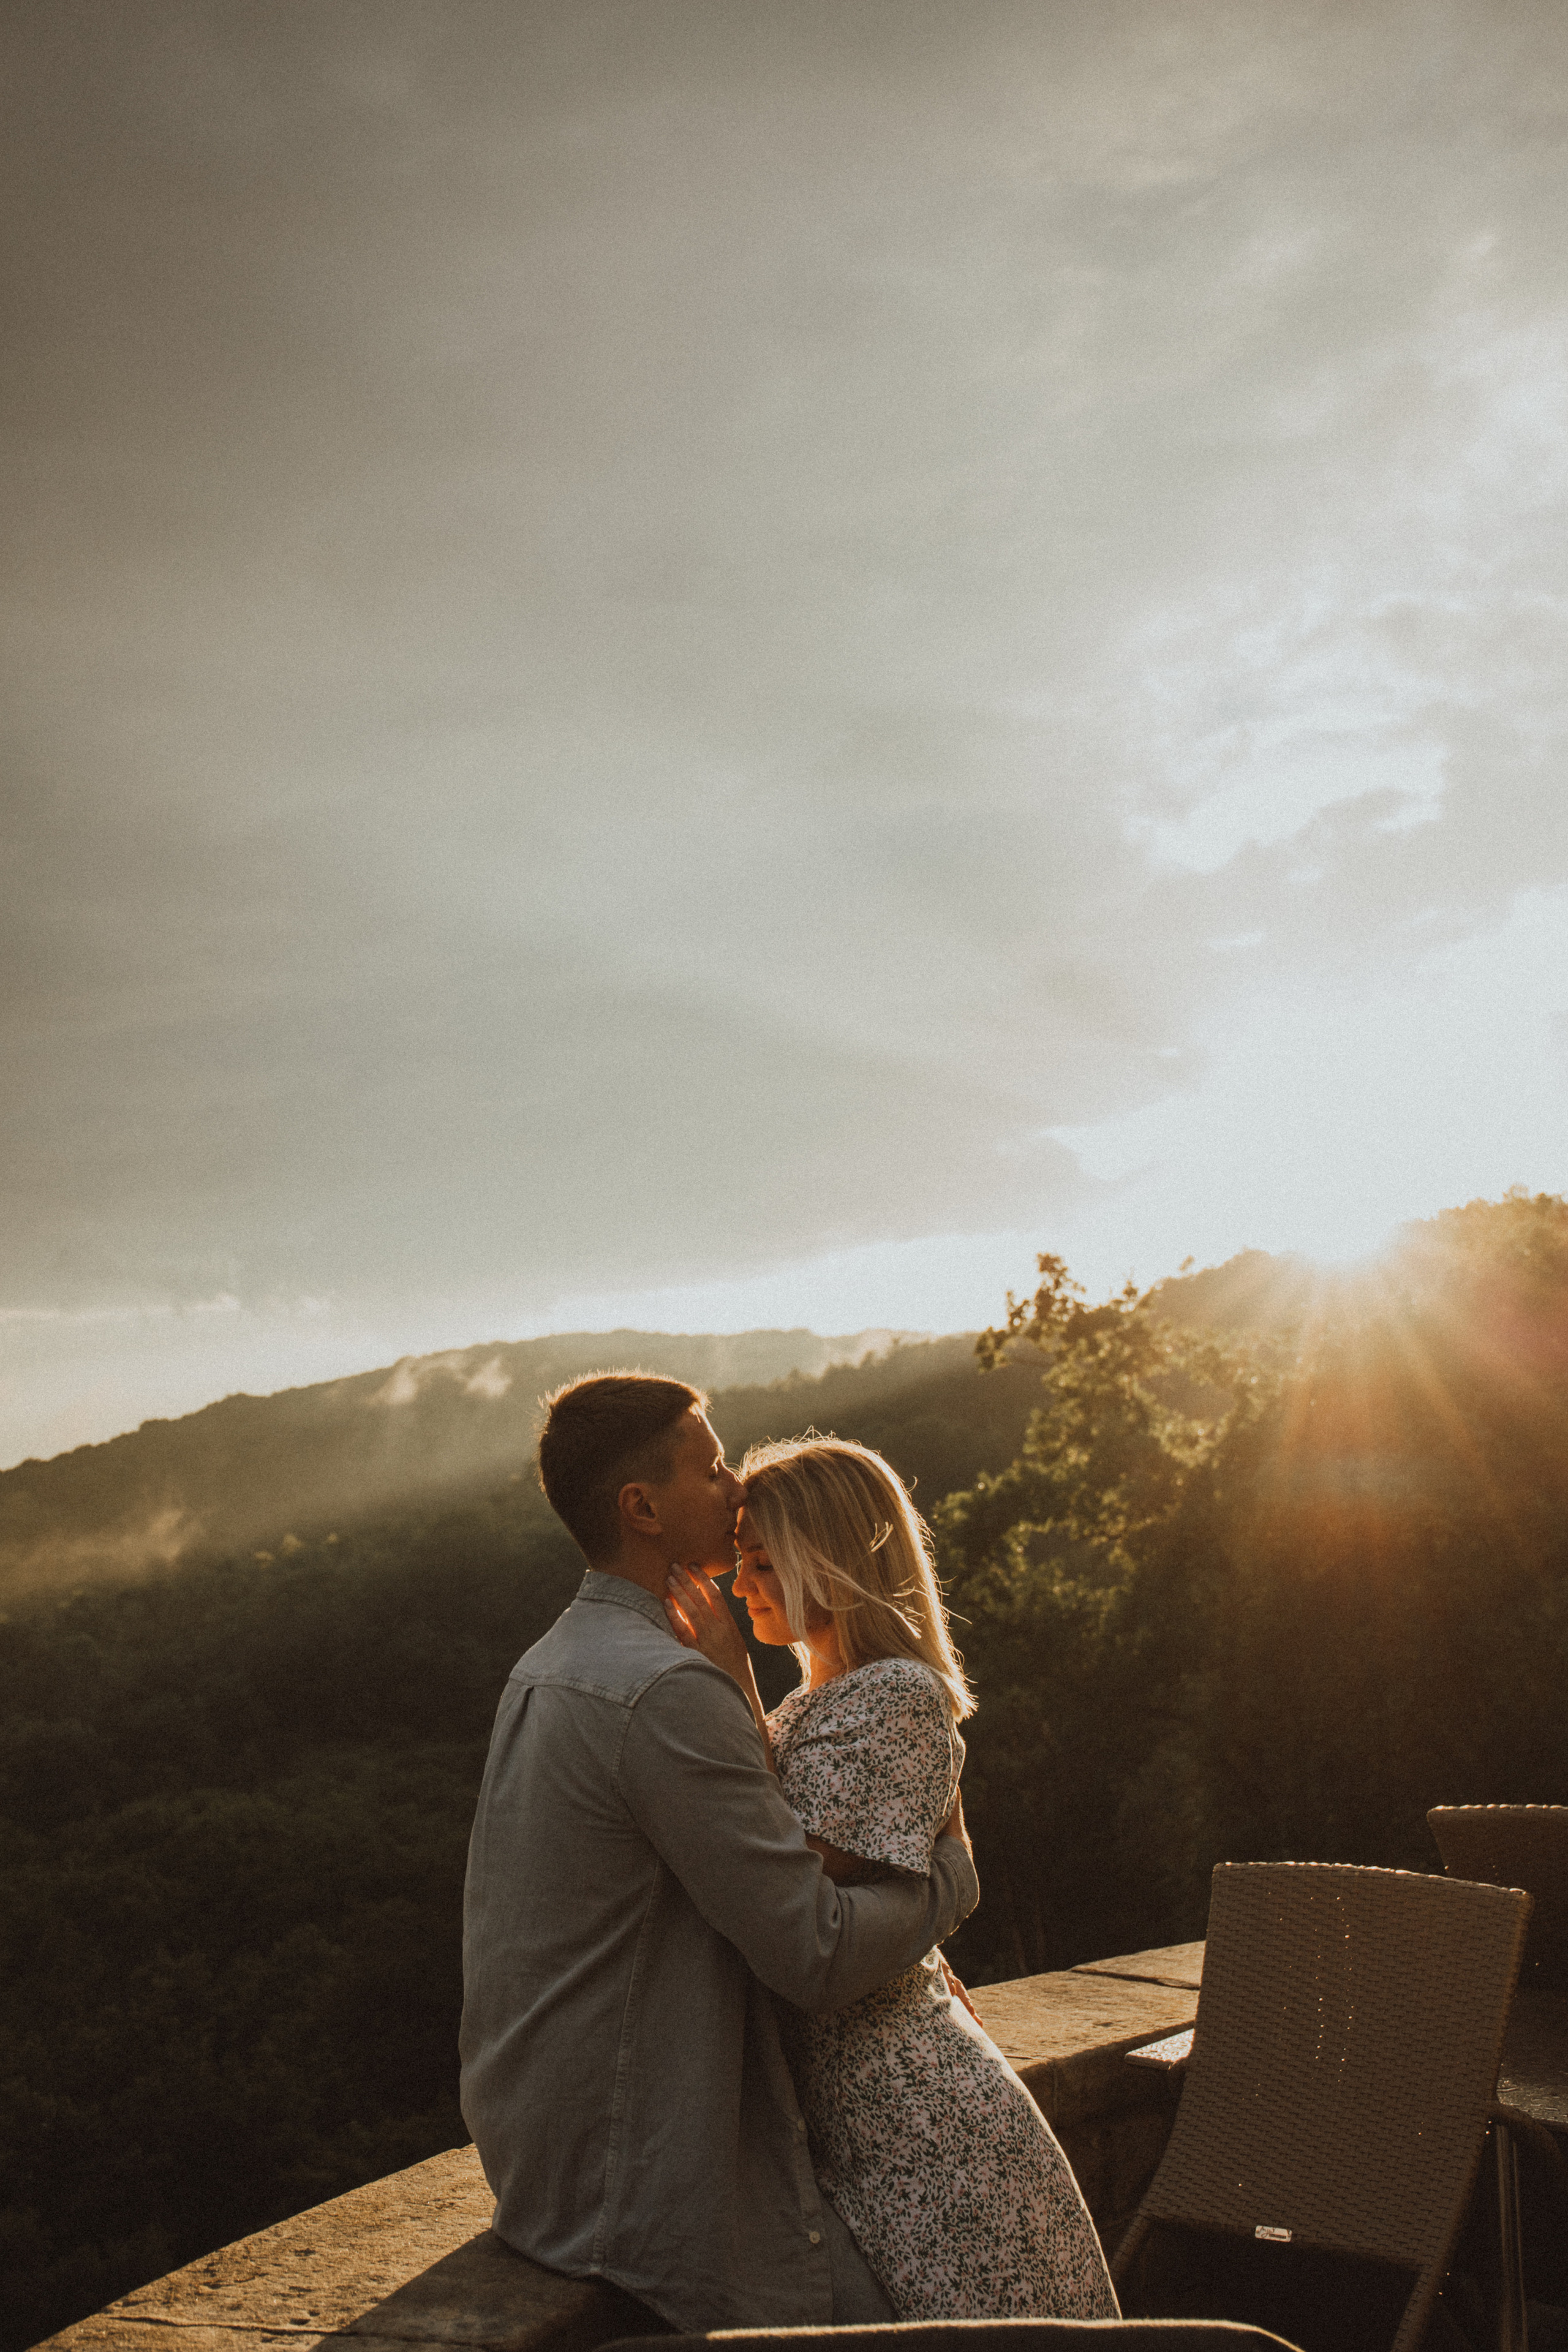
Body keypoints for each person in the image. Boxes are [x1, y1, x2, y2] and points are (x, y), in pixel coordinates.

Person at [458, 1372, 980, 2334]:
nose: (737, 1486)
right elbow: (814, 1955)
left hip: (540, 2156)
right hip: (632, 2176)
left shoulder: (549, 1666)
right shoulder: (663, 1690)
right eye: (711, 1468)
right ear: (641, 1509)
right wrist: (949, 1879)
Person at [664, 1431, 1118, 2323]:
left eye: (761, 1562)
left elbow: (782, 1870)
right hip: (867, 2123)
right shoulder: (813, 1706)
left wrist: (728, 1677)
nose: (737, 1583)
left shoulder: (898, 1695)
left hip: (928, 2128)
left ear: (826, 1565)